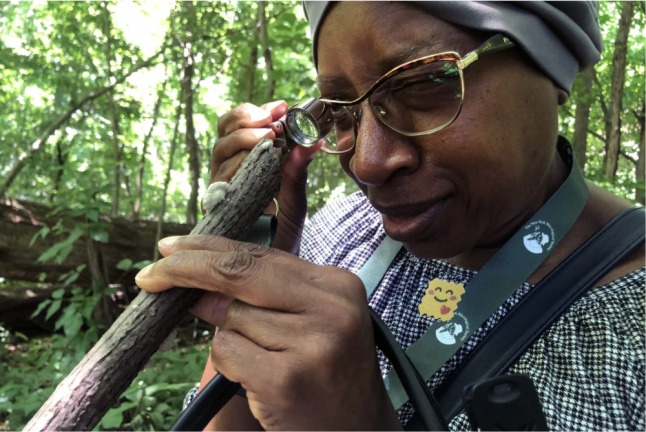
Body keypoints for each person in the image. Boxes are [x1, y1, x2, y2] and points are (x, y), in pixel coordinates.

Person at [135, 2, 645, 430]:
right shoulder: (341, 231)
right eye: (340, 109)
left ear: (550, 69)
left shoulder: (629, 331)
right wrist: (262, 255)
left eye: (425, 82)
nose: (368, 163)